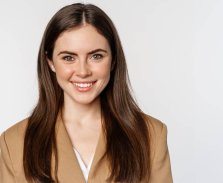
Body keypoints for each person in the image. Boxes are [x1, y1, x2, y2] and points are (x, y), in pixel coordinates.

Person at [0, 3, 172, 183]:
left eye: (96, 56)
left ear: (113, 59)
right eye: (68, 58)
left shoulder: (151, 135)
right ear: (50, 62)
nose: (83, 71)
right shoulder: (14, 142)